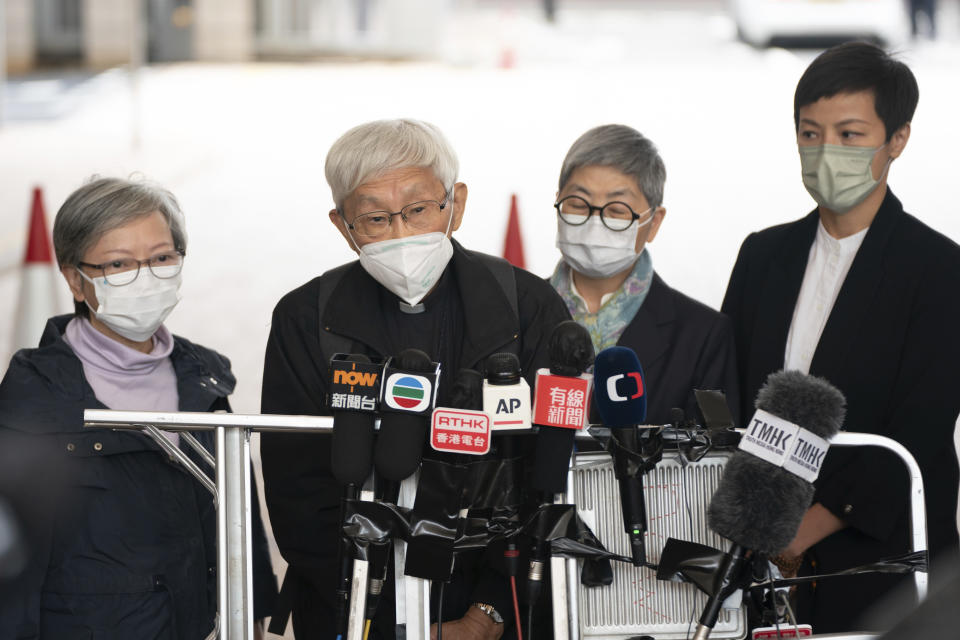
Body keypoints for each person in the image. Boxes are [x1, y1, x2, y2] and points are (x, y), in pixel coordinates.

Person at [260, 119, 570, 640]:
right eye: (376, 218)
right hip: (352, 607)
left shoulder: (525, 306)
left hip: (499, 607)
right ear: (343, 226)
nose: (402, 233)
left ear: (458, 203)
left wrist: (489, 611)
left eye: (419, 210)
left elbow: (551, 474)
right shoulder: (307, 317)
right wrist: (377, 615)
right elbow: (296, 489)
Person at [721, 42, 960, 632]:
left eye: (850, 135)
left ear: (896, 139)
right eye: (810, 133)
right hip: (759, 565)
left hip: (880, 568)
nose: (826, 151)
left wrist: (807, 528)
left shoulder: (937, 269)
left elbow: (922, 425)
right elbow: (728, 391)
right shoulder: (763, 255)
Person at [0, 177, 277, 639]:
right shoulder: (33, 394)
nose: (145, 277)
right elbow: (14, 565)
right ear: (74, 277)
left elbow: (237, 512)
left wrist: (254, 605)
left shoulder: (204, 378)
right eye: (118, 264)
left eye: (162, 258)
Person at [549, 124, 740, 426]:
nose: (595, 220)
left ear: (654, 222)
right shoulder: (512, 315)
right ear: (558, 201)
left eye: (617, 209)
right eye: (577, 204)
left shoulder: (702, 336)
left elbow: (712, 458)